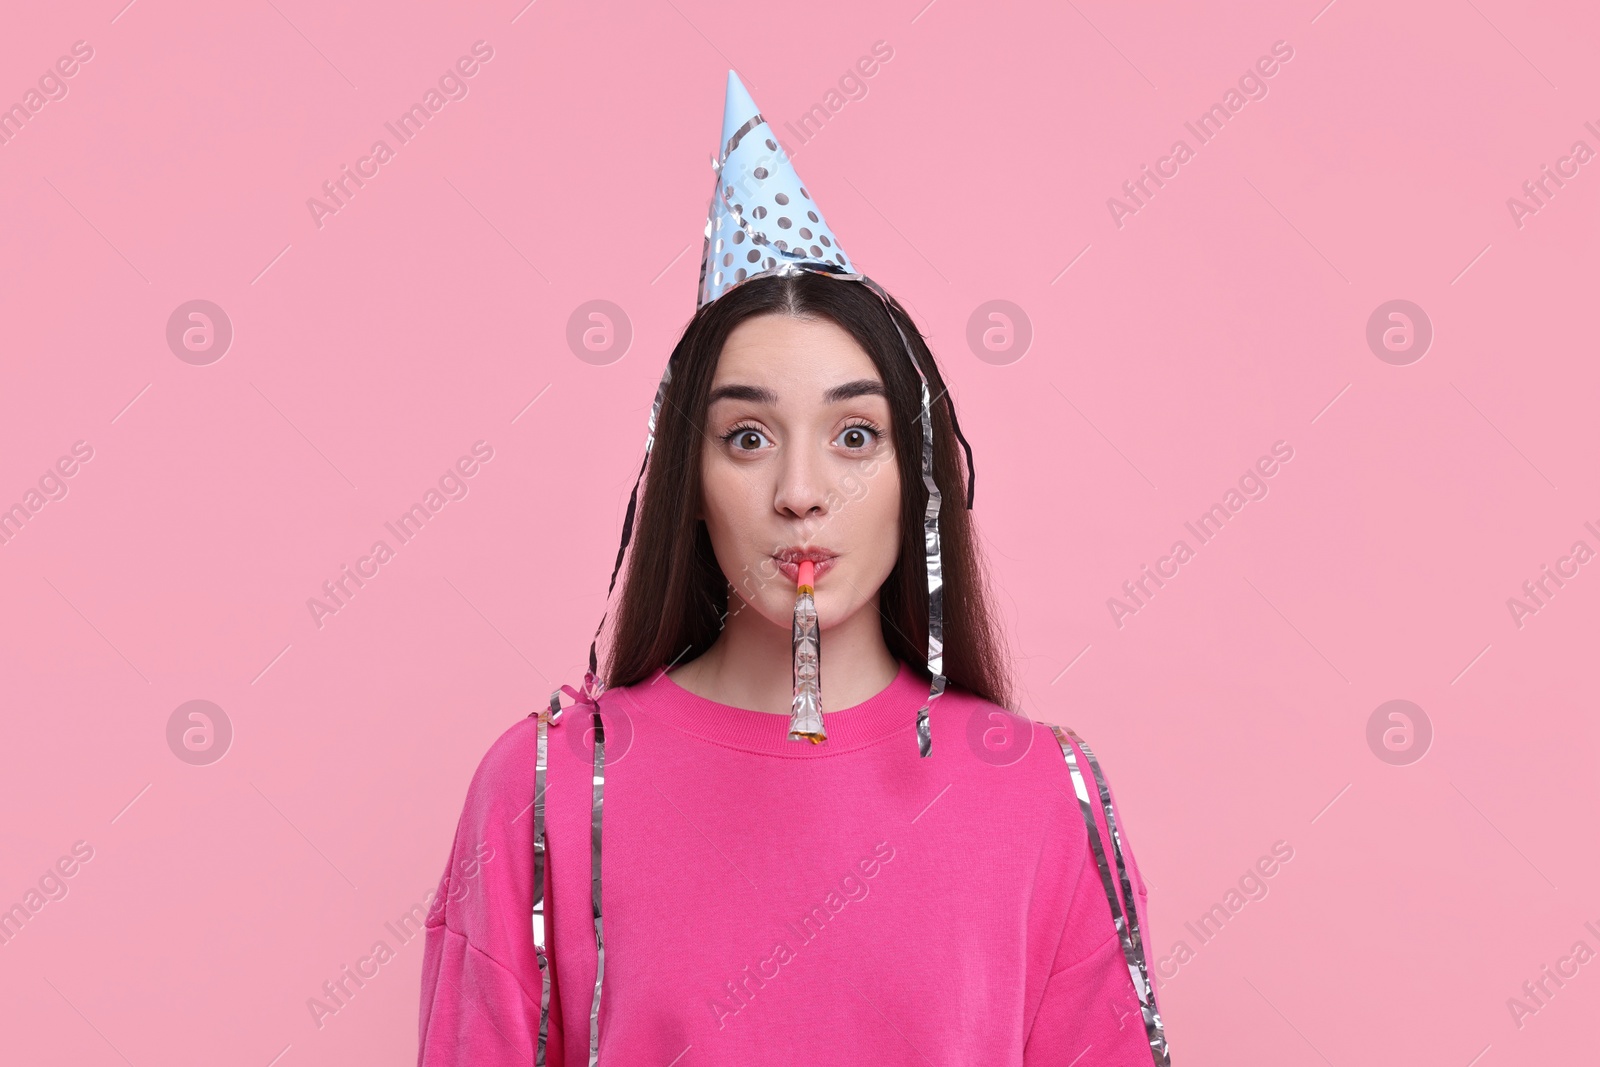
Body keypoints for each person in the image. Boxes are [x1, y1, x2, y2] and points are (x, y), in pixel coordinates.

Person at [417, 72, 1169, 1066]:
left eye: (854, 434)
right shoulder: (546, 786)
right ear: (688, 478)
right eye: (746, 437)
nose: (800, 490)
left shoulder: (1039, 796)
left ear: (919, 477)